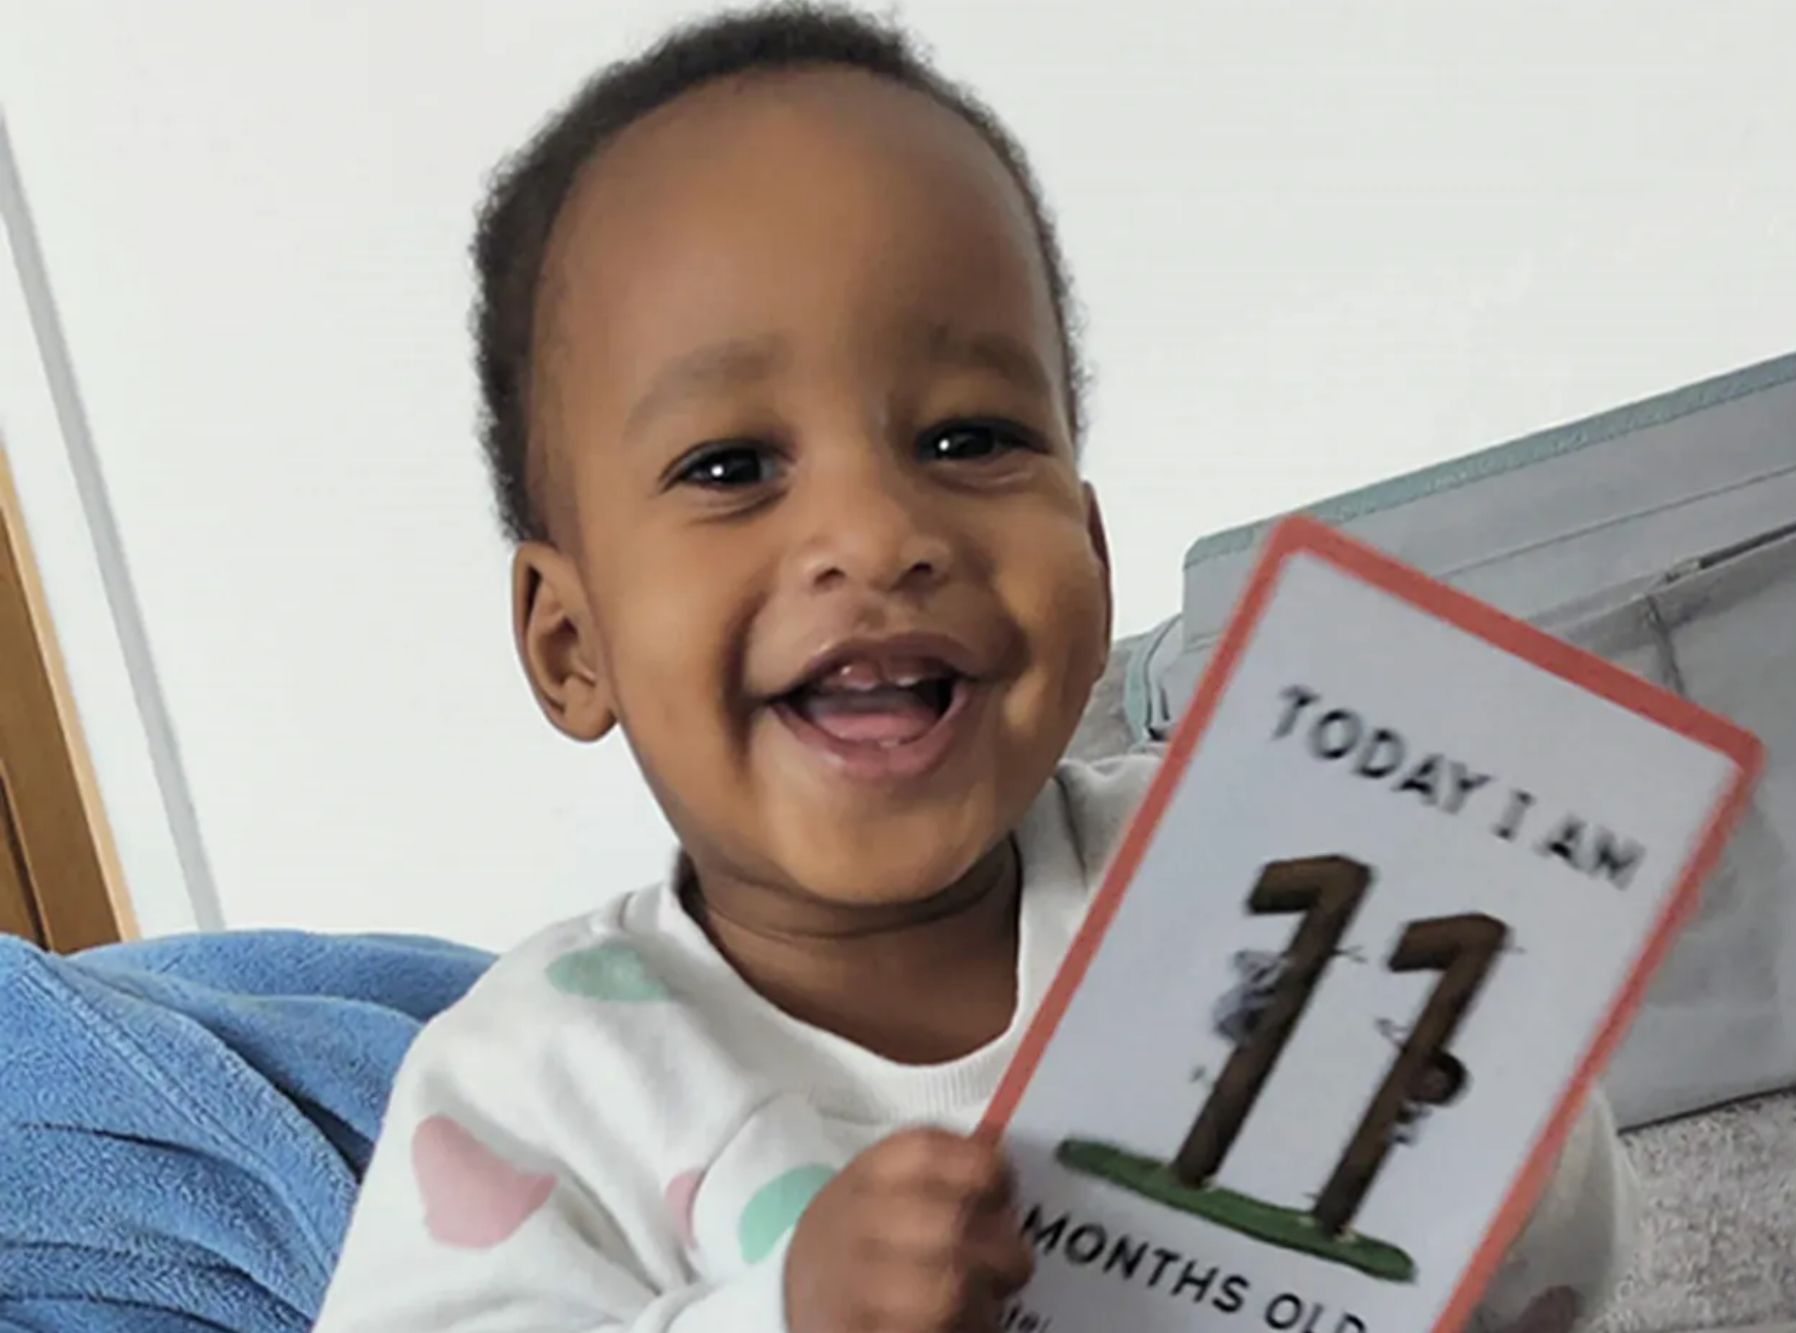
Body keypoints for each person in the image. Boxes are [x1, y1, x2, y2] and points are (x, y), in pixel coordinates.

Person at [314, 7, 1633, 1331]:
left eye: (970, 436)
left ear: (1094, 548)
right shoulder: (535, 1082)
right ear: (570, 642)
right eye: (732, 468)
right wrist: (786, 1314)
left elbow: (1551, 1283)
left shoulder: (1233, 877)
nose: (881, 533)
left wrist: (1474, 1100)